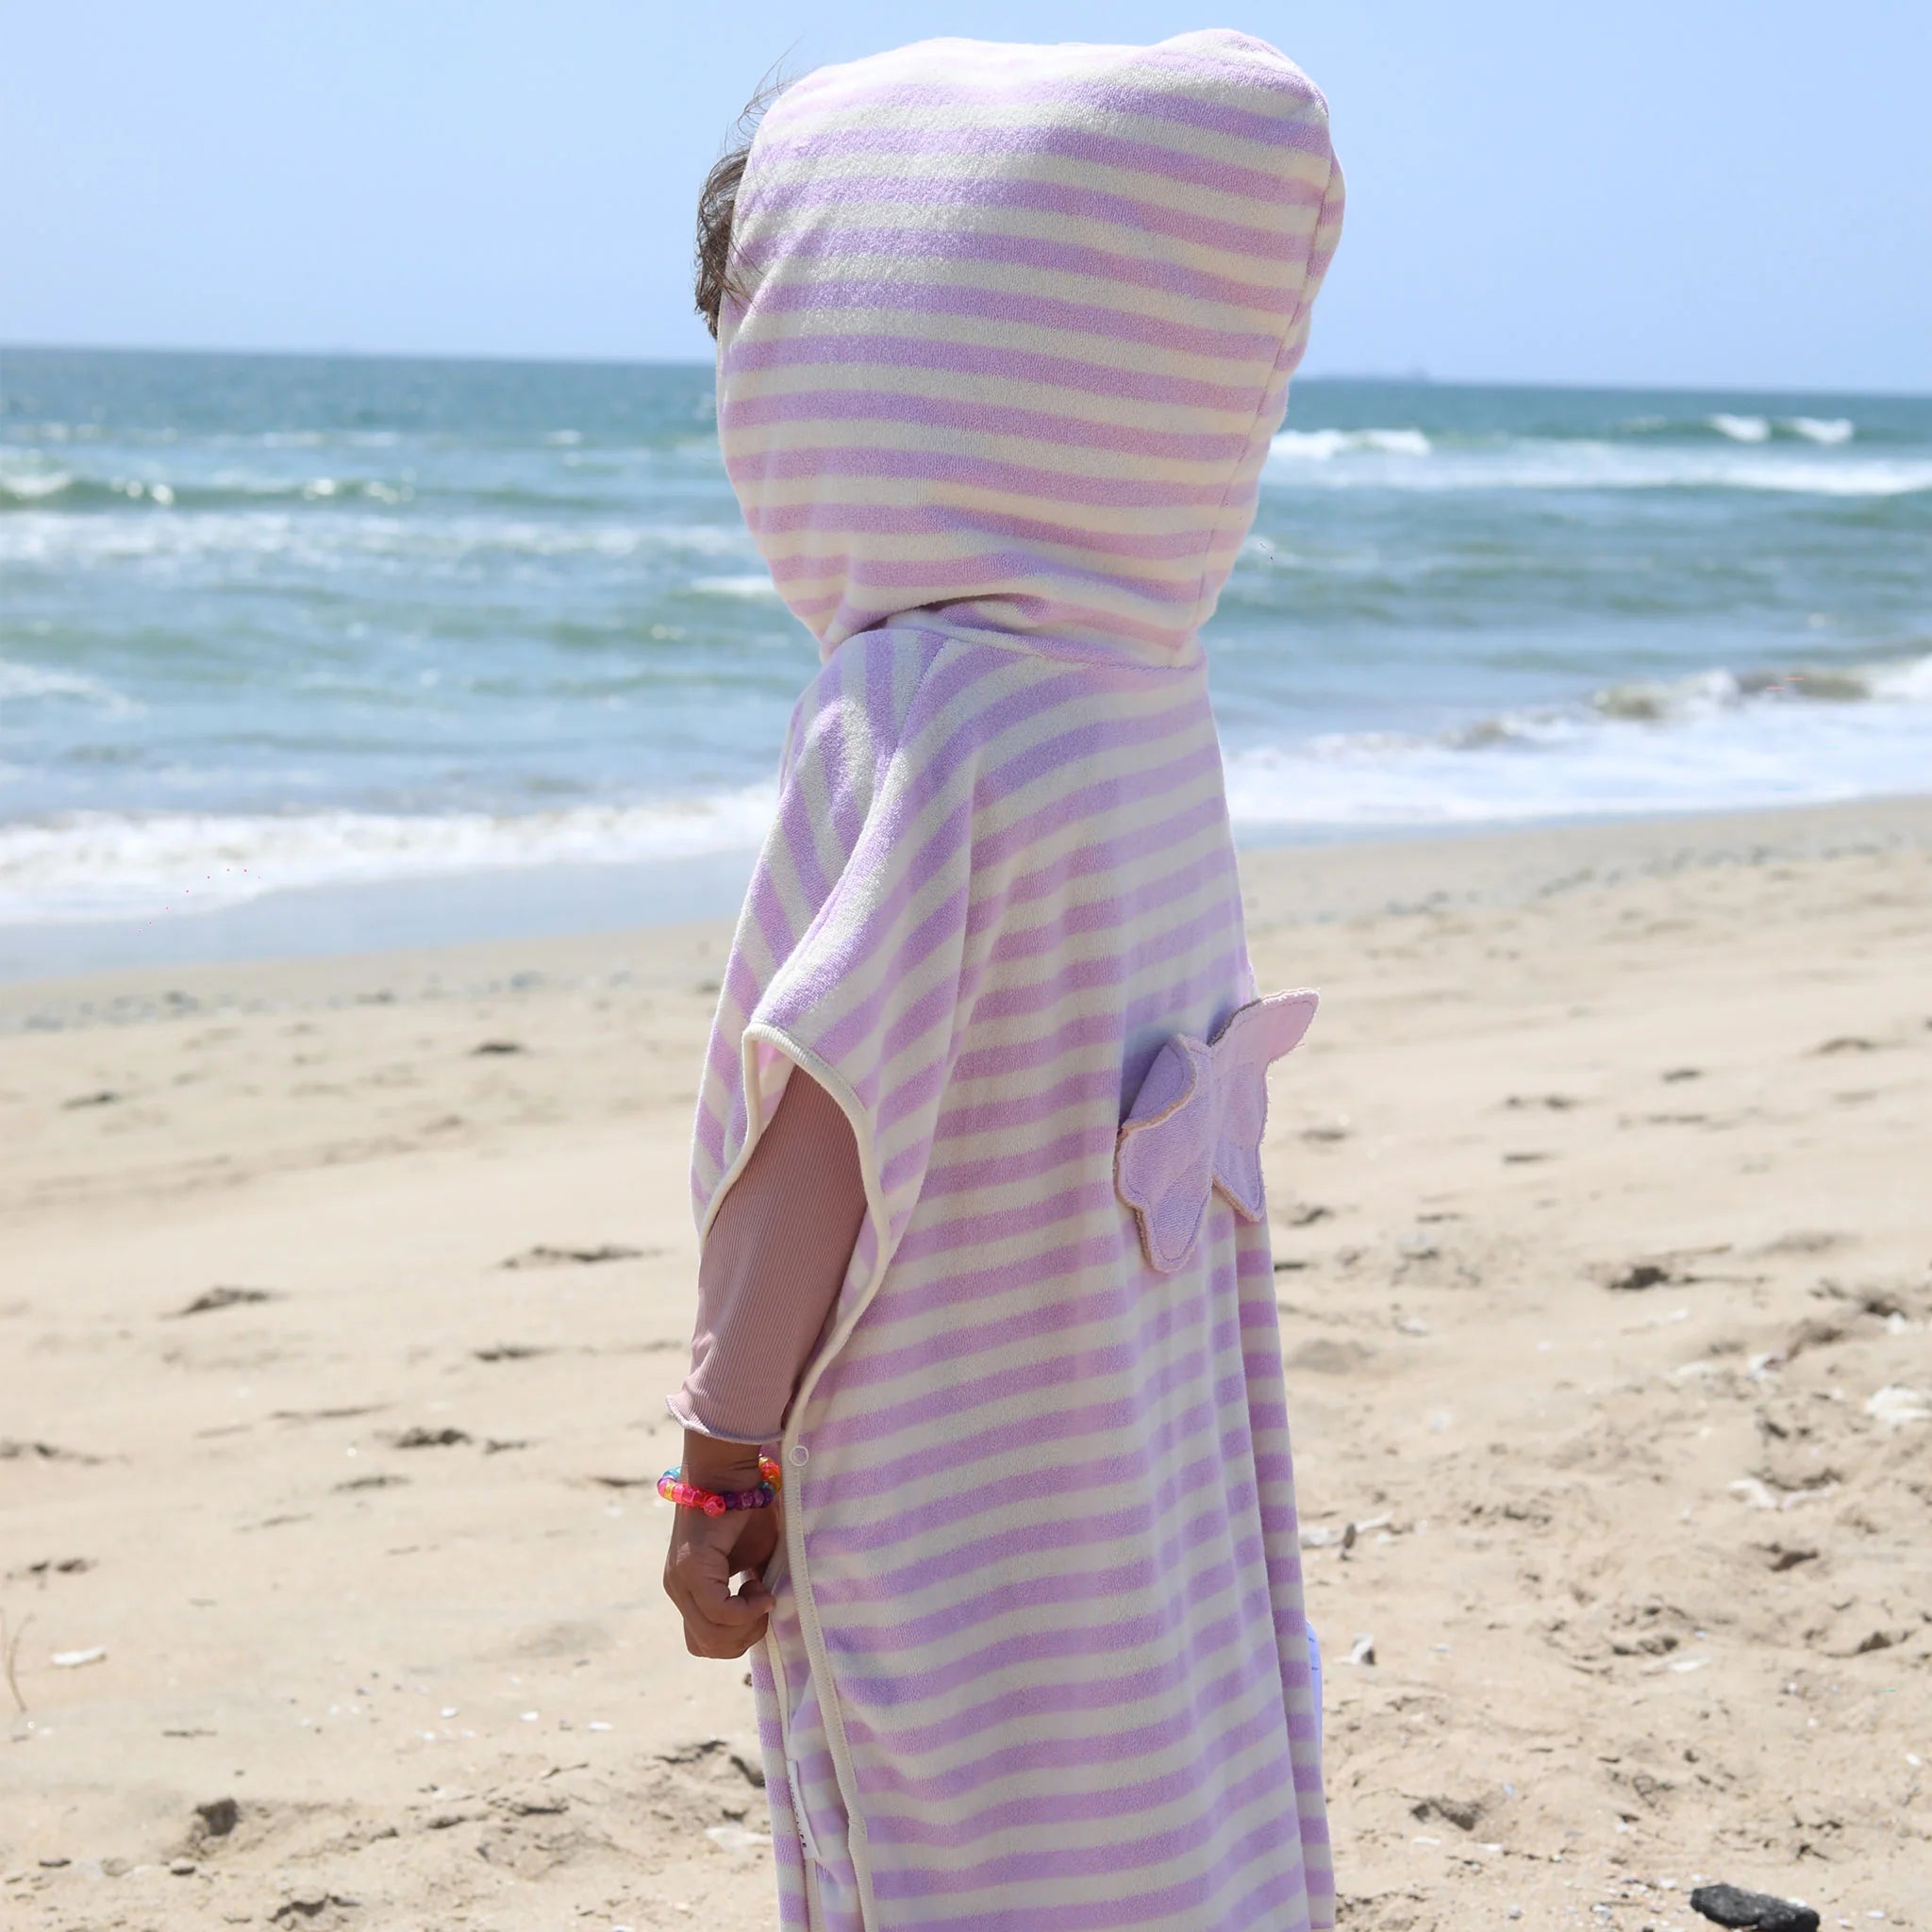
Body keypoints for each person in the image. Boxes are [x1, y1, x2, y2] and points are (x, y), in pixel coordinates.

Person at [659, 30, 1344, 1931]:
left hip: (946, 1459)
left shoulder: (908, 716)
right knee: (1153, 1766)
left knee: (950, 1812)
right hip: (1127, 1432)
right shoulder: (1140, 690)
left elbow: (815, 1133)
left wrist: (719, 1466)